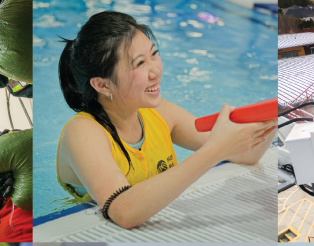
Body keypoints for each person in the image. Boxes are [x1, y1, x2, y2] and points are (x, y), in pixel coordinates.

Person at [55, 11, 277, 229]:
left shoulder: (161, 113)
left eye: (154, 54)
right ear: (102, 85)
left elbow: (247, 154)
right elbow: (123, 212)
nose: (155, 71)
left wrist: (269, 116)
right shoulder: (83, 132)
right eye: (139, 63)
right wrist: (215, 150)